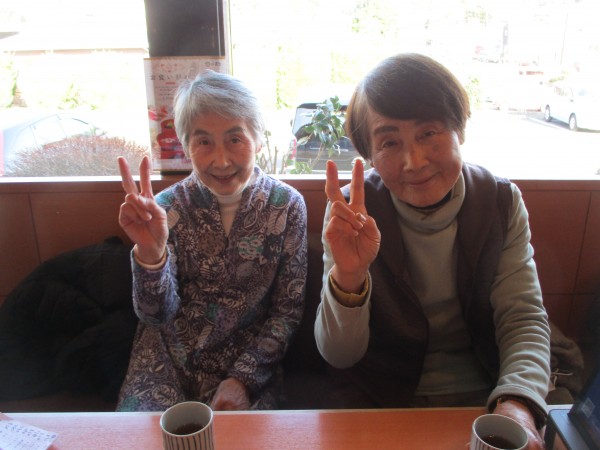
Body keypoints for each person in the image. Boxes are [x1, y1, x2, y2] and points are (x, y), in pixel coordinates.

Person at [314, 53, 550, 449]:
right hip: (379, 402)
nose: (415, 161)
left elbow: (522, 317)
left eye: (428, 133)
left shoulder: (499, 201)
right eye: (389, 142)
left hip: (488, 397)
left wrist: (518, 403)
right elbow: (339, 356)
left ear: (459, 129)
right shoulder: (350, 213)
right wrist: (349, 277)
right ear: (370, 156)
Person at [116, 71, 307, 412]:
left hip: (249, 364)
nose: (221, 160)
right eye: (204, 142)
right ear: (186, 147)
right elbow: (154, 315)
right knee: (141, 436)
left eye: (235, 139)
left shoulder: (287, 205)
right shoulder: (165, 208)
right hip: (166, 363)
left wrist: (243, 380)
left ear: (258, 141)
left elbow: (287, 312)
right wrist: (151, 254)